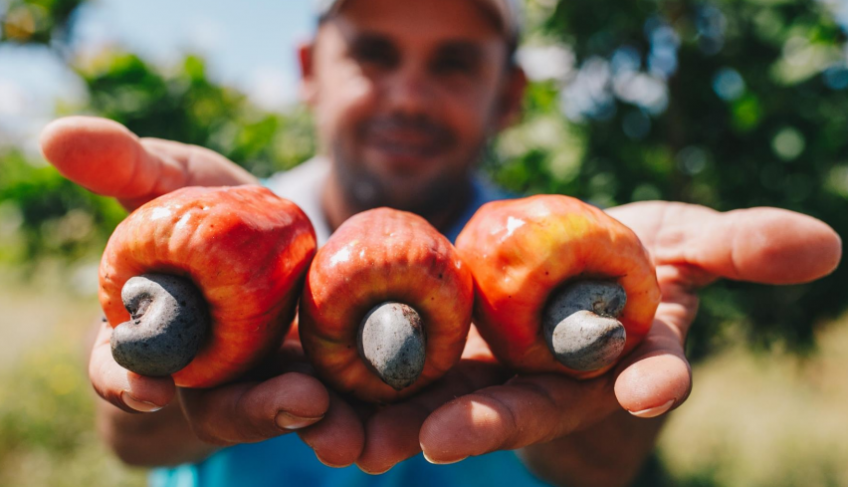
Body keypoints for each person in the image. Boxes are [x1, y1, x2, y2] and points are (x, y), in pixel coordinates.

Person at [39, 0, 841, 486]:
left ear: (510, 96)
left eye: (454, 64)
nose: (409, 95)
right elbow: (130, 434)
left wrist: (606, 370)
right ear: (312, 69)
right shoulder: (220, 217)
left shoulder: (558, 243)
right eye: (374, 54)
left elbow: (601, 471)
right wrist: (178, 377)